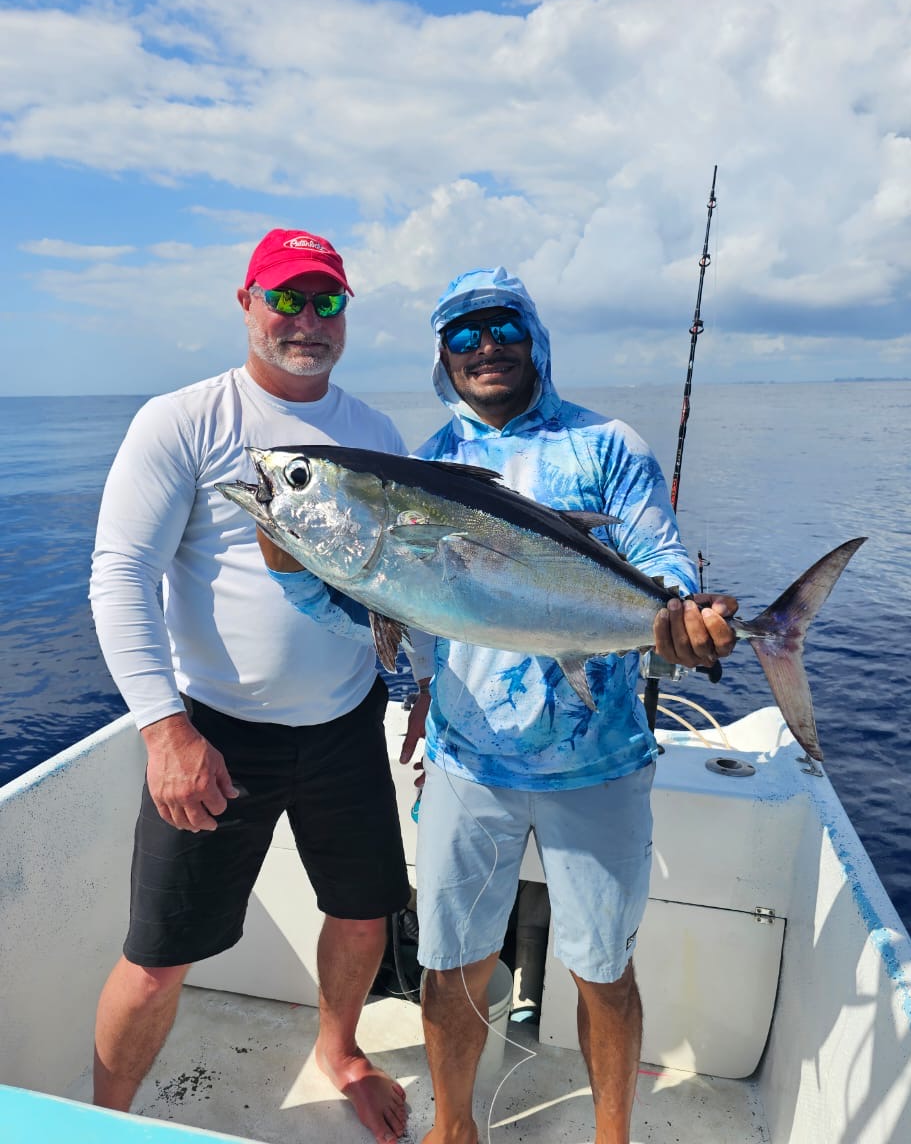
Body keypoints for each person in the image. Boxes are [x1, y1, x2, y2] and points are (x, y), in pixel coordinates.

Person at [262, 265, 739, 1144]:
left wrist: (680, 617)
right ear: (444, 354)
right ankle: (454, 1129)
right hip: (467, 758)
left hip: (598, 761)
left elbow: (660, 564)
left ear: (534, 339)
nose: (487, 347)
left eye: (503, 328)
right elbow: (383, 602)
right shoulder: (425, 465)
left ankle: (611, 1136)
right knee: (450, 966)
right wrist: (294, 570)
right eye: (465, 334)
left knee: (603, 970)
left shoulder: (608, 445)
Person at [88, 229, 412, 1144]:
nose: (307, 320)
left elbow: (391, 589)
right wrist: (164, 733)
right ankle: (104, 1121)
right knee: (157, 958)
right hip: (213, 731)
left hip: (349, 721)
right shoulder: (184, 420)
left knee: (362, 911)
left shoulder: (374, 433)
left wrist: (413, 685)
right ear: (246, 302)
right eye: (288, 299)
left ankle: (339, 1049)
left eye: (328, 303)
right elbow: (119, 574)